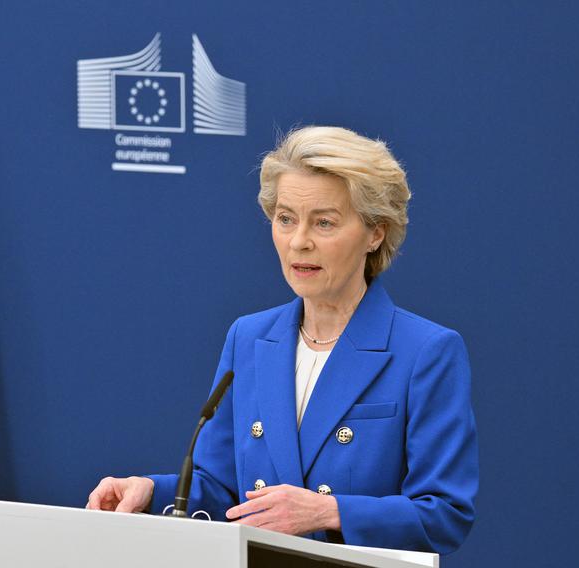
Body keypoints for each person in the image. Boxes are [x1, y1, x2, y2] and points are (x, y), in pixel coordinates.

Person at [86, 126, 478, 554]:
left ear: (375, 232)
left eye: (324, 222)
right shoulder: (249, 337)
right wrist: (150, 491)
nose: (299, 242)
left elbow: (444, 514)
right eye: (285, 219)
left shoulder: (426, 352)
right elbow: (221, 491)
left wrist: (329, 512)